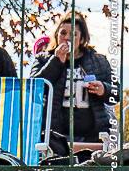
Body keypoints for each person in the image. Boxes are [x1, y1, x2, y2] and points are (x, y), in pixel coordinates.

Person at [32, 12, 114, 156]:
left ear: (81, 39)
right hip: (55, 136)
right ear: (56, 35)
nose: (67, 38)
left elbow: (116, 93)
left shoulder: (99, 61)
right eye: (63, 33)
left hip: (92, 137)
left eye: (73, 34)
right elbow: (34, 89)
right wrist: (56, 62)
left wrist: (104, 89)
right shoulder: (43, 59)